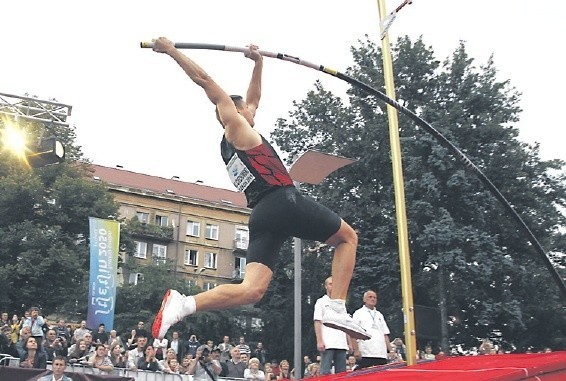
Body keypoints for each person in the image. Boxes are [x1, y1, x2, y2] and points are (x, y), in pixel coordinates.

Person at [149, 36, 369, 342]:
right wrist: (173, 51)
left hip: (263, 217)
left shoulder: (234, 141)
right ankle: (335, 306)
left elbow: (254, 98)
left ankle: (184, 304)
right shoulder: (238, 128)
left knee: (252, 290)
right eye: (248, 110)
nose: (254, 111)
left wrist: (258, 63)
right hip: (283, 201)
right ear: (237, 113)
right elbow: (206, 81)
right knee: (347, 237)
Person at [314, 276, 350, 375]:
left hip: (341, 343)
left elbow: (346, 323)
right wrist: (319, 341)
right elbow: (317, 322)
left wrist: (349, 342)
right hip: (328, 342)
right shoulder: (321, 302)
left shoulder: (341, 303)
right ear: (326, 286)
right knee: (325, 372)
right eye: (330, 284)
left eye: (335, 284)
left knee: (342, 374)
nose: (333, 287)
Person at [351, 290, 391, 368]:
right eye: (370, 297)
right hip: (366, 353)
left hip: (381, 353)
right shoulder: (358, 313)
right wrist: (356, 350)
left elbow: (385, 334)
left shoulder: (379, 315)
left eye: (375, 297)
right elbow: (353, 332)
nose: (373, 299)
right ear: (364, 299)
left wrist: (390, 350)